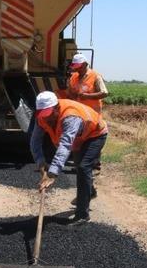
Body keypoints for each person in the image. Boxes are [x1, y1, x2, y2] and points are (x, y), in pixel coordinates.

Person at [31, 91, 108, 225]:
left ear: (56, 108)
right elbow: (35, 141)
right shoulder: (41, 117)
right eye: (43, 115)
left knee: (84, 167)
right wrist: (40, 161)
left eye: (49, 114)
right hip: (80, 137)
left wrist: (53, 173)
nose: (46, 118)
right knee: (80, 166)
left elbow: (65, 145)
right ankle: (89, 192)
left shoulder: (70, 116)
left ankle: (82, 215)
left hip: (95, 134)